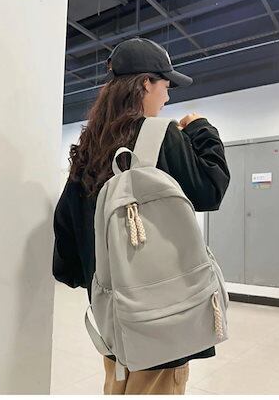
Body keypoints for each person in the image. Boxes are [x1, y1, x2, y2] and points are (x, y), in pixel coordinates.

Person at [52, 37, 231, 395]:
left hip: (113, 318)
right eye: (165, 86)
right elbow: (211, 189)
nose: (167, 97)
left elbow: (66, 233)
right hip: (159, 318)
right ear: (146, 83)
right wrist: (202, 130)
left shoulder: (89, 147)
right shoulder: (162, 136)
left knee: (117, 387)